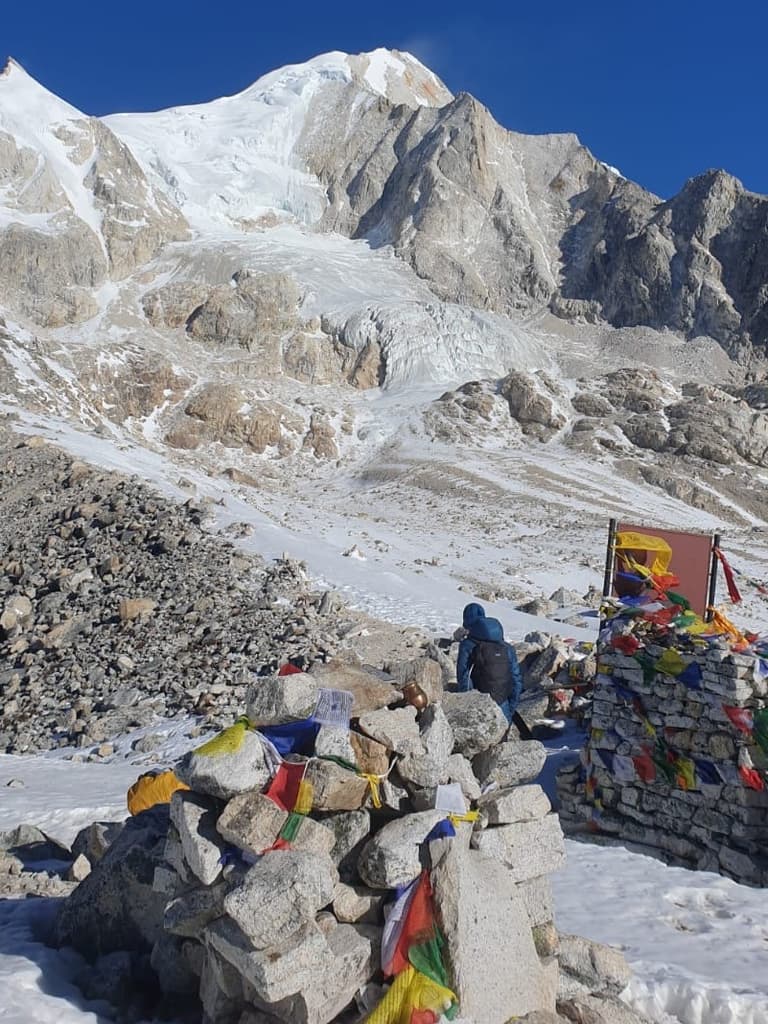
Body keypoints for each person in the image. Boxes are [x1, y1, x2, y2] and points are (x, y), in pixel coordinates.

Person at [456, 605, 524, 729]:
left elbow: (464, 678)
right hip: (503, 703)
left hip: (479, 706)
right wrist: (510, 708)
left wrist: (467, 705)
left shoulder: (467, 645)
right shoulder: (507, 648)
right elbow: (516, 681)